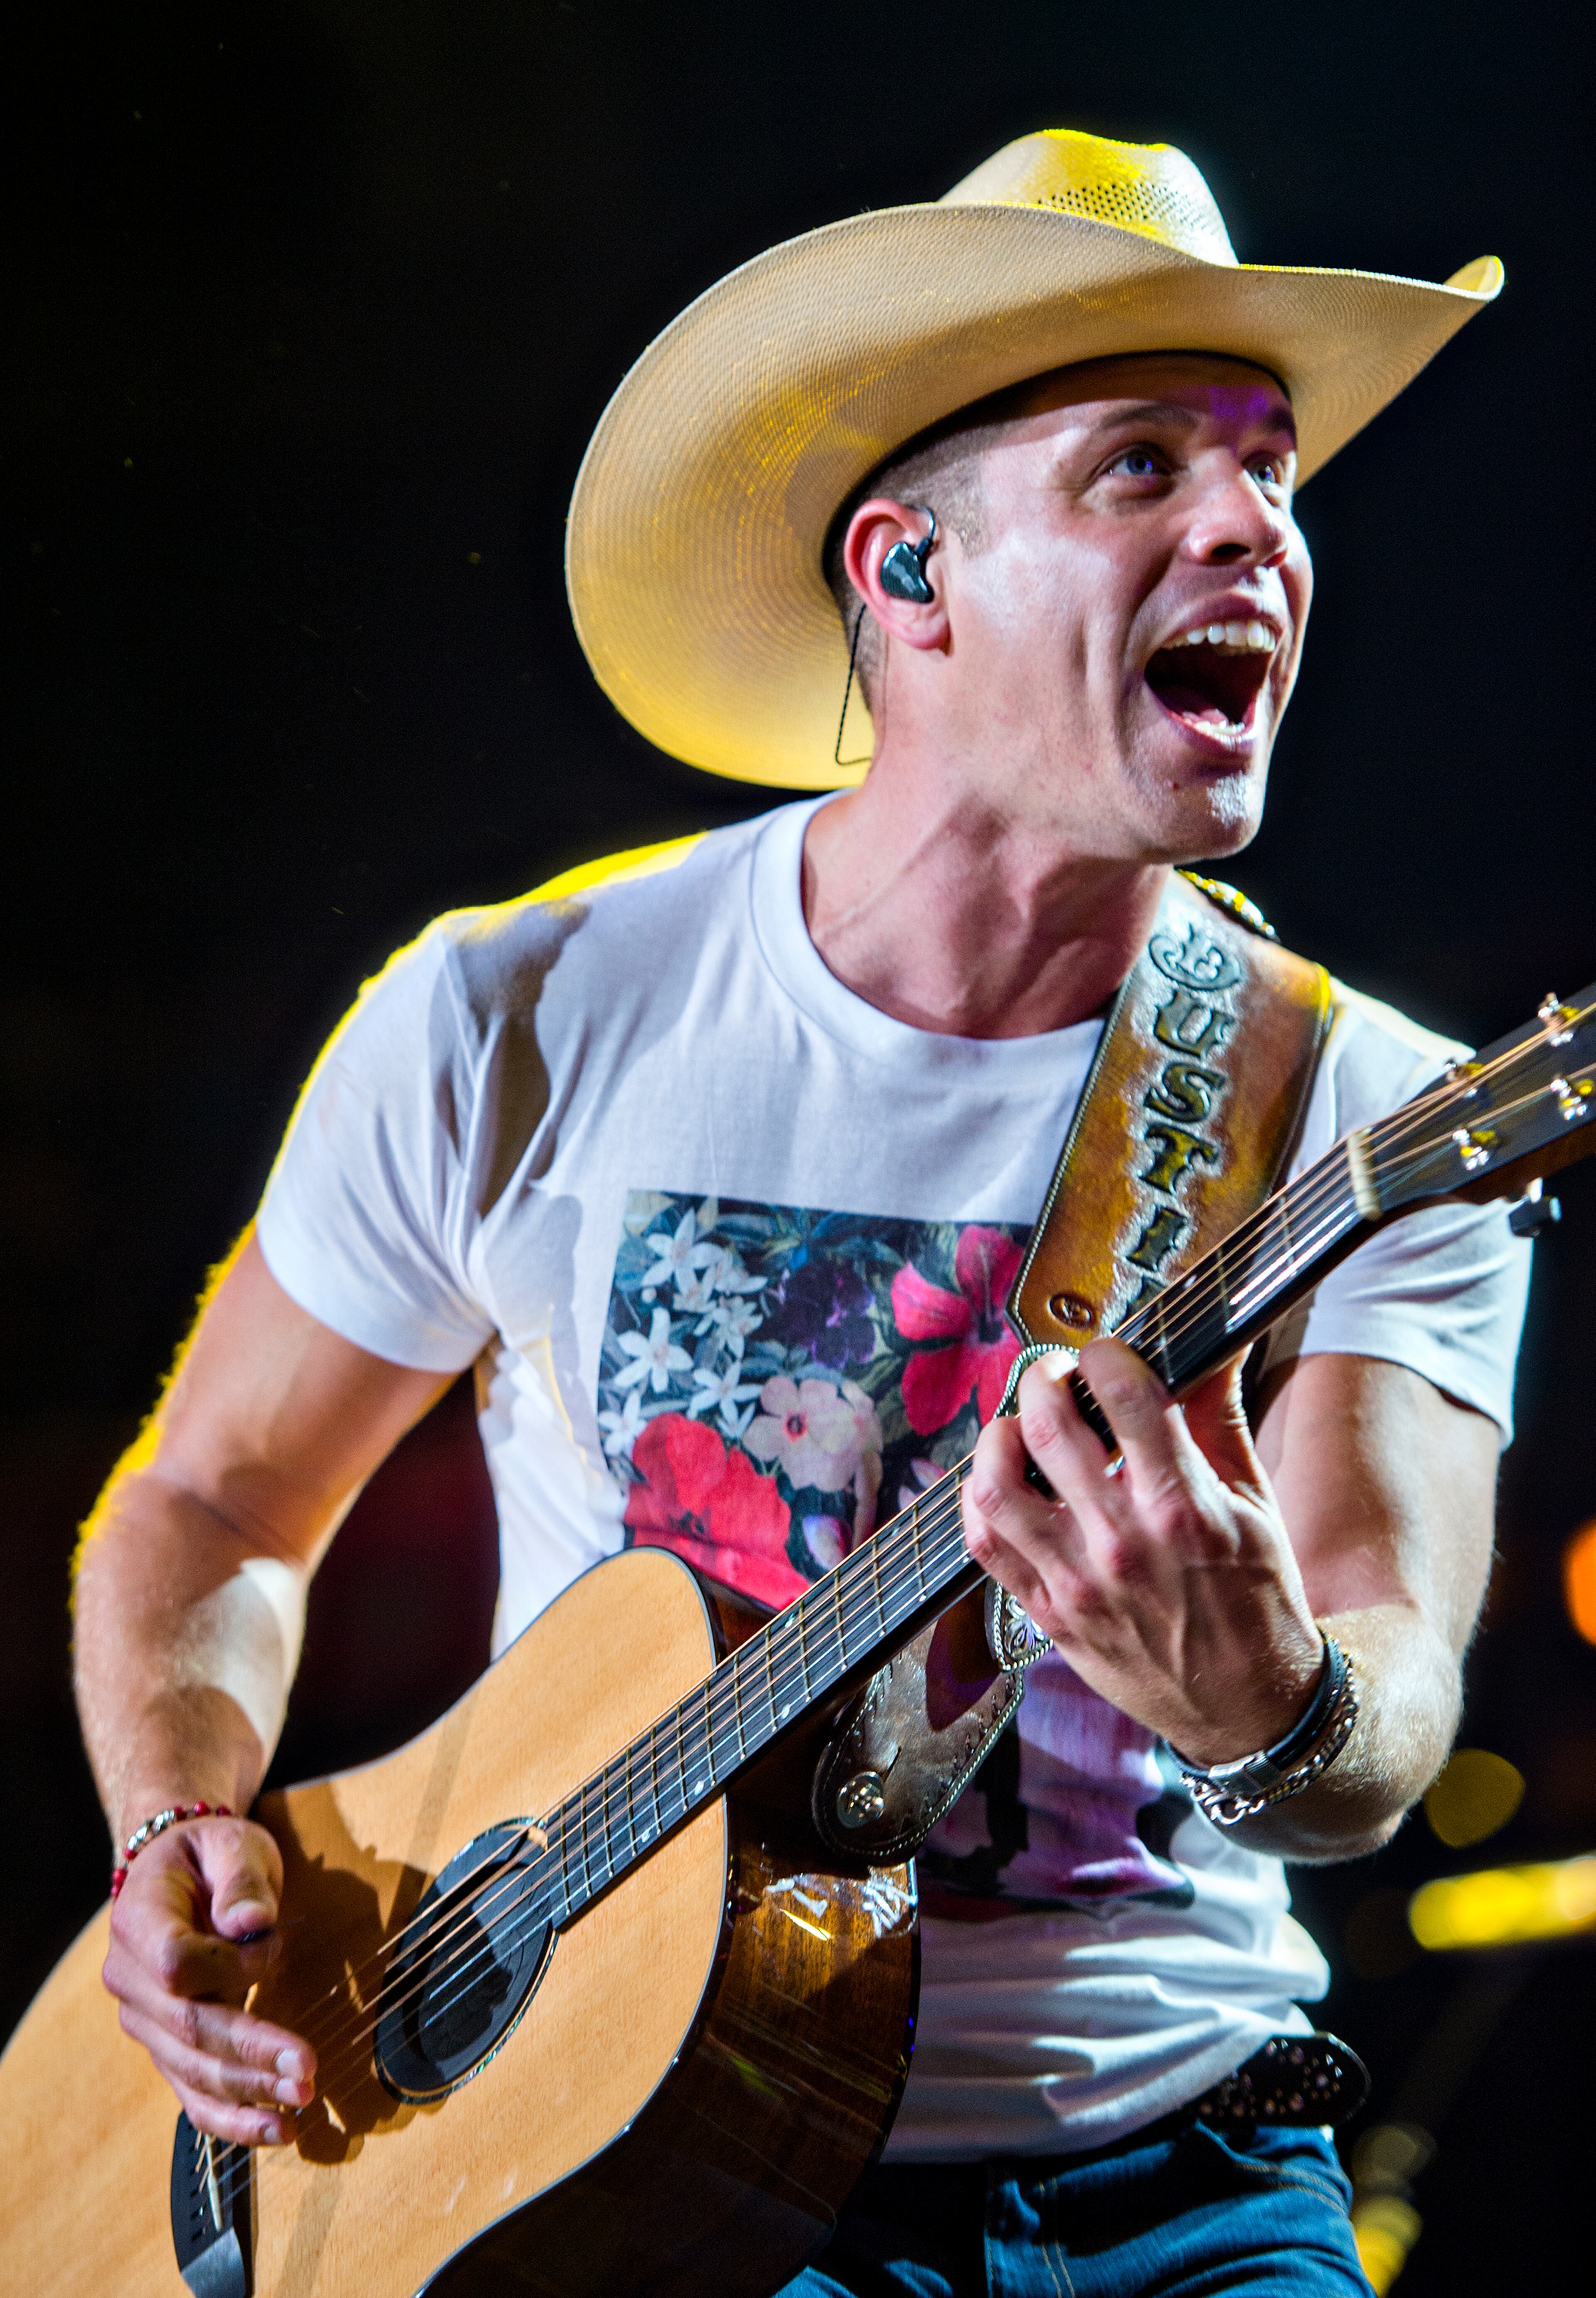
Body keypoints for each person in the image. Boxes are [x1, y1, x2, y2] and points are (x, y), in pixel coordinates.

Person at [74, 130, 1528, 2294]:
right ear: (908, 574)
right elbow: (204, 1511)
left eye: (1275, 476)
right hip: (600, 2164)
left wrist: (1275, 1705)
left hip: (1178, 2183)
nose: (1256, 530)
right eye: (1143, 468)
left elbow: (1385, 1715)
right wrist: (184, 1820)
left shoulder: (1365, 1108)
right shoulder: (519, 1016)